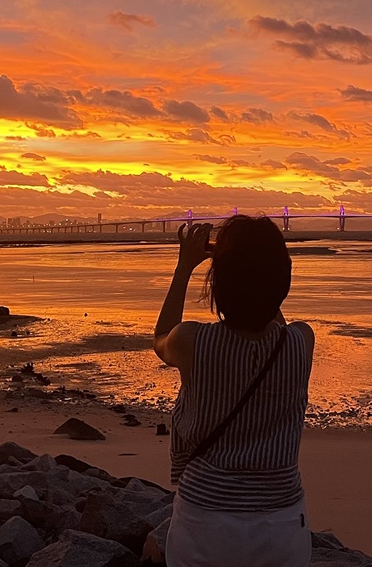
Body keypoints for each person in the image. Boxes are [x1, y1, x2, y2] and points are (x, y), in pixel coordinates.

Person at [153, 215, 316, 567]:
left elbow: (160, 337)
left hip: (204, 519)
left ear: (220, 284)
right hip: (282, 522)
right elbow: (271, 312)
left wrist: (185, 266)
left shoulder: (193, 342)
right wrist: (255, 267)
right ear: (283, 281)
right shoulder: (301, 343)